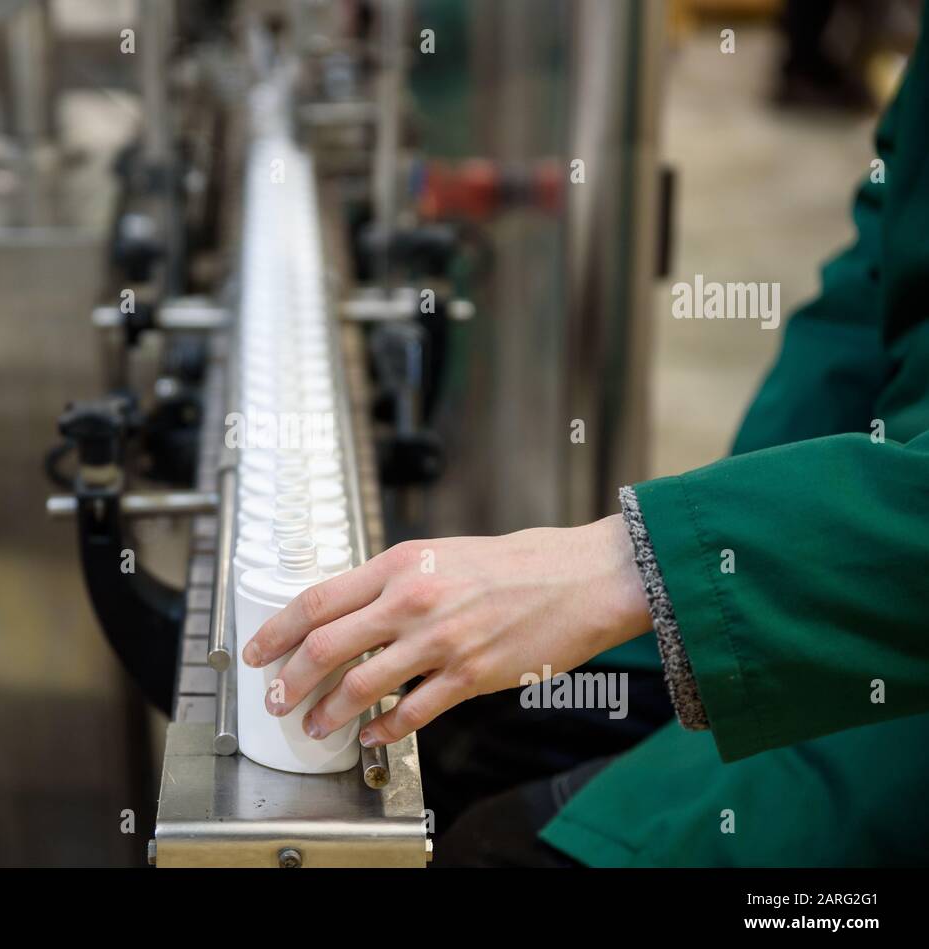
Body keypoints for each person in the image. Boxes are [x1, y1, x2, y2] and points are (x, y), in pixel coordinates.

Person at [241, 4, 929, 866]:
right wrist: (720, 530)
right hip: (843, 548)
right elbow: (879, 285)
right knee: (461, 721)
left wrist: (642, 567)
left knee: (498, 851)